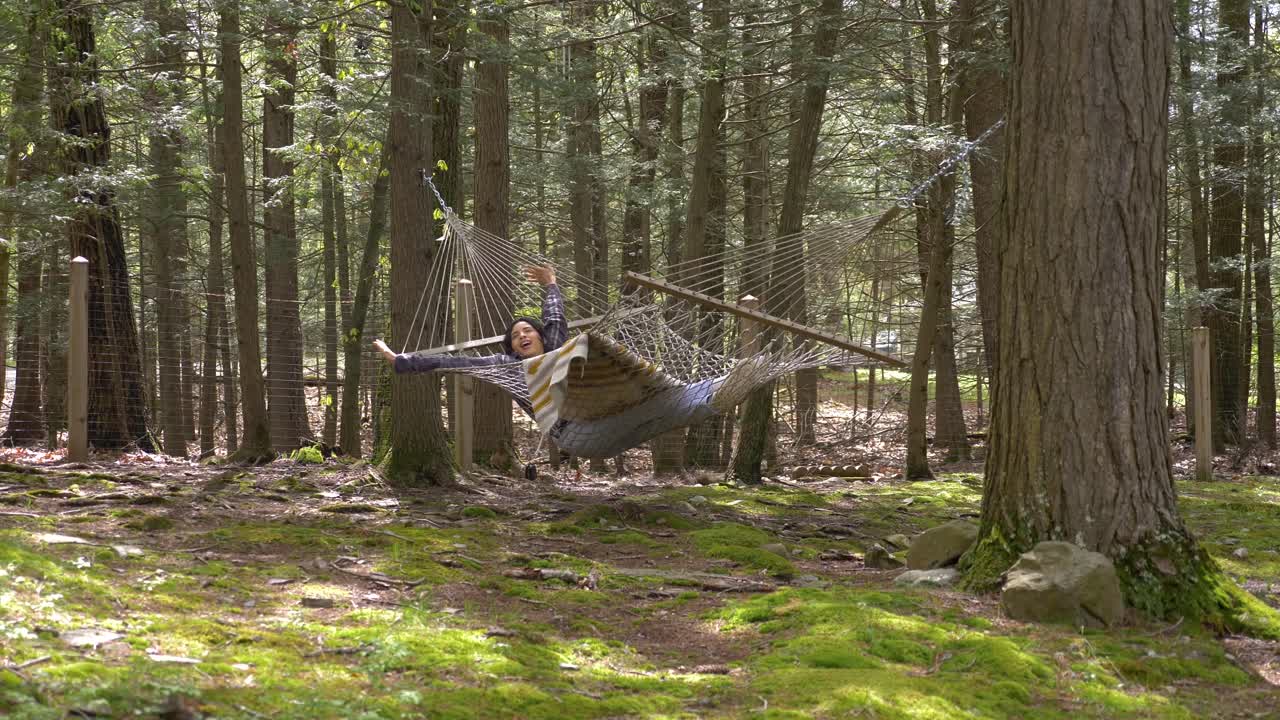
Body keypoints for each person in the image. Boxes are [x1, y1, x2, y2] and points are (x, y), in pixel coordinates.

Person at [372, 265, 565, 378]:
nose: (522, 335)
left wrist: (551, 283)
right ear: (513, 349)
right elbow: (455, 362)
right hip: (564, 428)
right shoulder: (507, 366)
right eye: (515, 336)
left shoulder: (553, 346)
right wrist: (400, 360)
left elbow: (554, 315)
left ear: (541, 336)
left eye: (527, 330)